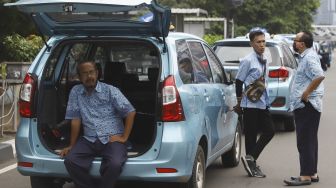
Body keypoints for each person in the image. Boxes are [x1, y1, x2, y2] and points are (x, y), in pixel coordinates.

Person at [59, 60, 136, 188]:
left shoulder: (110, 90)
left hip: (112, 138)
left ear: (97, 73)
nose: (89, 76)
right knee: (71, 161)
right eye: (85, 74)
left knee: (115, 164)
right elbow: (76, 119)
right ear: (79, 76)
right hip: (89, 139)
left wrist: (124, 137)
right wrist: (71, 145)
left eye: (91, 72)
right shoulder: (75, 91)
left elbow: (130, 112)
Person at [284, 31, 324, 186]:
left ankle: (306, 175)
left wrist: (306, 93)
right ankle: (312, 173)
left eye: (296, 40)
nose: (294, 42)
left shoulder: (309, 57)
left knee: (305, 141)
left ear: (302, 43)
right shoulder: (306, 56)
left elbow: (319, 75)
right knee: (310, 140)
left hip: (307, 105)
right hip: (308, 105)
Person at [234, 29, 275, 178]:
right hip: (250, 103)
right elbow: (238, 81)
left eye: (263, 41)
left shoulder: (265, 57)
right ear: (252, 43)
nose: (262, 45)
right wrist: (239, 102)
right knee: (251, 135)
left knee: (270, 131)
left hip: (263, 102)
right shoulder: (247, 60)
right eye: (258, 42)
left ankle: (251, 158)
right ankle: (252, 166)